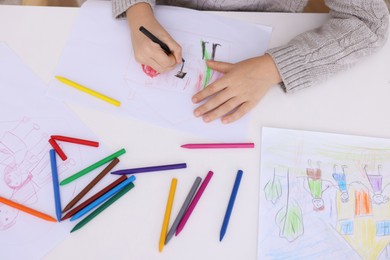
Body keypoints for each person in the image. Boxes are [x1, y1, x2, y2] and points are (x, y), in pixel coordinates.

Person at [112, 0, 389, 124]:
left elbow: (370, 23)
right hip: (163, 17)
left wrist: (275, 67)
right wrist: (136, 9)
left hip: (267, 30)